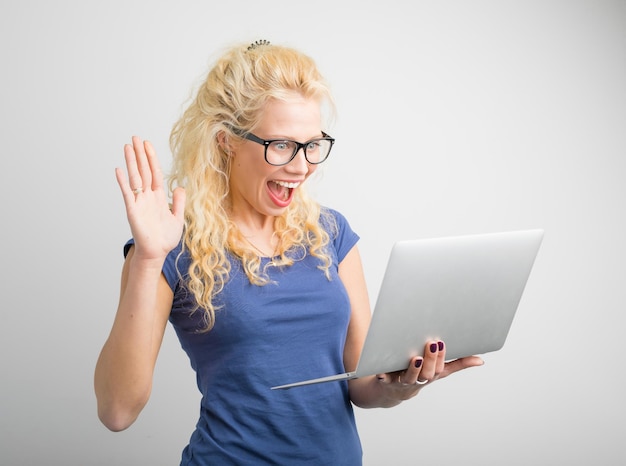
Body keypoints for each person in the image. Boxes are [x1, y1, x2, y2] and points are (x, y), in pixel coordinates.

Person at [94, 39, 484, 465]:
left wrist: (403, 383)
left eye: (313, 144)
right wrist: (149, 260)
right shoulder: (170, 246)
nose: (301, 167)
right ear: (226, 141)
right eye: (280, 145)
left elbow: (362, 383)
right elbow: (117, 411)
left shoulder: (331, 233)